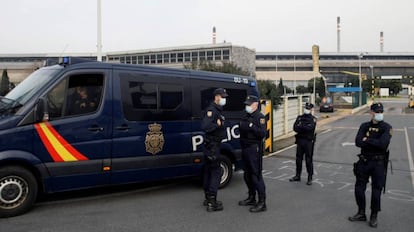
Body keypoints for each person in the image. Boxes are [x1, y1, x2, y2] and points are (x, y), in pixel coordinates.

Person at [348, 102, 392, 228]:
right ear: (371, 113)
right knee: (359, 188)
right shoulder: (364, 126)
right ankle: (361, 212)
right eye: (376, 112)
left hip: (378, 163)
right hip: (364, 161)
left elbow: (383, 144)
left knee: (376, 190)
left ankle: (374, 215)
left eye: (381, 112)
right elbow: (357, 142)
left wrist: (367, 140)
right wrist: (374, 142)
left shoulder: (387, 127)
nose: (379, 114)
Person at [238, 95, 267, 212]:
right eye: (246, 104)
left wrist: (251, 126)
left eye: (249, 104)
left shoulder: (260, 117)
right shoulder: (246, 116)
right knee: (247, 175)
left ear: (255, 105)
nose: (247, 106)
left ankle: (262, 202)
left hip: (254, 148)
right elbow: (241, 127)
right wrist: (248, 126)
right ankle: (251, 197)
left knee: (256, 175)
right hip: (245, 147)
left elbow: (262, 133)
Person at [201, 88, 228, 212]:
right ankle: (212, 201)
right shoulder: (212, 110)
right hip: (212, 146)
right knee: (215, 172)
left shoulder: (217, 109)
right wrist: (217, 125)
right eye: (222, 96)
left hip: (211, 145)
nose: (224, 99)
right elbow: (205, 126)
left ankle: (208, 197)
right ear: (216, 97)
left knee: (208, 170)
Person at [289, 102, 317, 185]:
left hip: (308, 142)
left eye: (308, 108)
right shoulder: (300, 117)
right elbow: (295, 128)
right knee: (298, 159)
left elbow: (310, 128)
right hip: (300, 141)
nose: (306, 110)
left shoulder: (313, 119)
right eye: (306, 108)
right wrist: (303, 127)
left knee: (308, 160)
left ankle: (310, 177)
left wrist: (301, 126)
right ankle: (298, 175)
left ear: (311, 109)